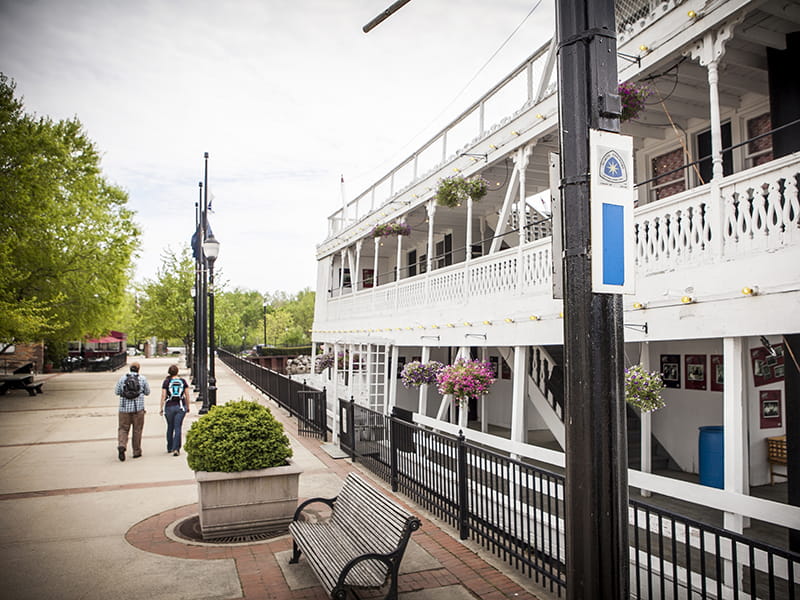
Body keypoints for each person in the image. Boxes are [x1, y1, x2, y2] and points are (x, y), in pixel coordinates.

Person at [115, 362, 150, 461]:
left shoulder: (122, 379)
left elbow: (117, 392)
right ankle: (136, 451)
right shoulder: (142, 379)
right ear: (138, 369)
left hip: (124, 409)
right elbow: (147, 392)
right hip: (138, 409)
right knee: (137, 430)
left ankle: (122, 445)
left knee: (123, 428)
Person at [160, 364, 190, 456]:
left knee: (170, 426)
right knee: (178, 427)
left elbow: (163, 396)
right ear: (177, 372)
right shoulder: (183, 381)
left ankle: (170, 447)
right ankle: (176, 448)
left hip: (169, 406)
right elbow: (187, 395)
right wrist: (188, 406)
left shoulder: (166, 382)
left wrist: (161, 407)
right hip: (180, 406)